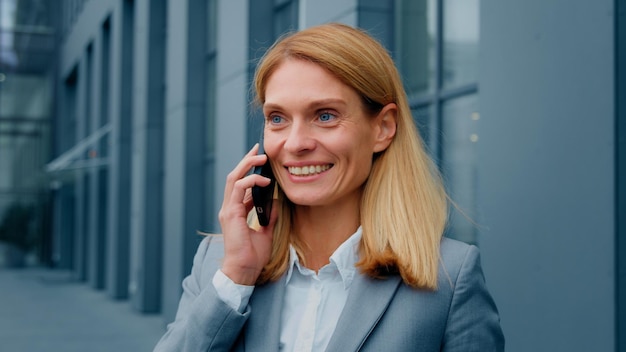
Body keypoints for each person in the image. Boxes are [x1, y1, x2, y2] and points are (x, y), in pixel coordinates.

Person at [154, 23, 504, 352]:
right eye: (277, 119)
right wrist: (238, 276)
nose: (295, 143)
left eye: (325, 115)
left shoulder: (450, 276)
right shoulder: (218, 264)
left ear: (383, 127)